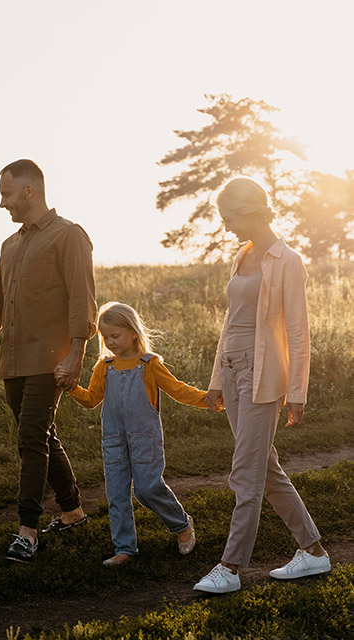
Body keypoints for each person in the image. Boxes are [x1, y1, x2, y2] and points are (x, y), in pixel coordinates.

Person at [194, 177, 330, 594]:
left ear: (250, 211)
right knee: (263, 468)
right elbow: (230, 323)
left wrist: (298, 391)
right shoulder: (241, 255)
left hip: (262, 375)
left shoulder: (287, 260)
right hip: (233, 370)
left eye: (229, 216)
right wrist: (217, 380)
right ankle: (313, 552)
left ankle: (231, 567)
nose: (227, 225)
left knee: (245, 473)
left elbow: (297, 331)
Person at [0, 159, 97, 562]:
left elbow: (81, 298)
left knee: (30, 439)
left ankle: (27, 530)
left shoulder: (69, 236)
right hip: (13, 361)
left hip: (49, 360)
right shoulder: (11, 245)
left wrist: (77, 354)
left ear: (29, 191)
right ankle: (72, 511)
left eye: (6, 194)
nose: (3, 204)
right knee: (41, 435)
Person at [67, 302, 209, 566]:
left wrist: (206, 399)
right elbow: (91, 400)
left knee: (146, 489)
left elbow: (178, 390)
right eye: (105, 337)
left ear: (132, 332)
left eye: (115, 336)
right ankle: (124, 548)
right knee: (117, 495)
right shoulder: (104, 367)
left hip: (145, 438)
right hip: (113, 441)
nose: (110, 342)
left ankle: (181, 524)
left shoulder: (149, 364)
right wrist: (72, 387)